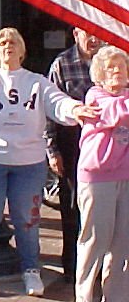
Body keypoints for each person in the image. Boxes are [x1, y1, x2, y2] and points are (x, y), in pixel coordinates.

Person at [0, 28, 100, 297]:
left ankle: (31, 270)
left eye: (13, 42)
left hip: (29, 164)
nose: (7, 46)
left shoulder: (37, 82)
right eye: (2, 43)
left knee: (28, 221)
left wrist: (75, 110)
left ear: (22, 50)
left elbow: (58, 103)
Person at [44, 27, 102, 283]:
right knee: (72, 206)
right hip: (72, 142)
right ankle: (72, 265)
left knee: (103, 206)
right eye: (87, 33)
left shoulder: (113, 60)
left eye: (97, 33)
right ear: (76, 34)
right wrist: (52, 150)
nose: (93, 39)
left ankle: (101, 265)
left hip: (106, 144)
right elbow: (49, 110)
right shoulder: (62, 63)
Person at [74, 46, 129, 302]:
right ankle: (85, 297)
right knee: (94, 242)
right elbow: (115, 112)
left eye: (121, 66)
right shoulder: (95, 97)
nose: (117, 70)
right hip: (97, 180)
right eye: (110, 67)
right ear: (100, 74)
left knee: (123, 245)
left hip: (126, 177)